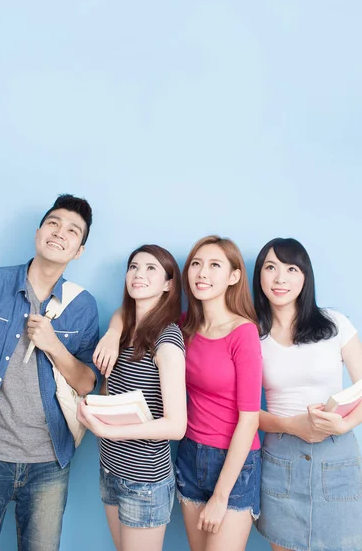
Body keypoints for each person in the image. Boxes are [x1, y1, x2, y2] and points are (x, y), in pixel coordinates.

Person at [94, 235, 262, 551]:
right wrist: (113, 332)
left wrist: (222, 494)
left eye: (214, 265)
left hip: (233, 461)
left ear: (234, 276)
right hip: (189, 455)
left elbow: (249, 419)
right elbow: (132, 312)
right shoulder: (185, 326)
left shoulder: (244, 333)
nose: (202, 273)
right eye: (196, 264)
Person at [0, 194, 100, 551]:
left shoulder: (82, 305)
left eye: (72, 231)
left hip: (49, 464)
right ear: (39, 232)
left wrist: (54, 345)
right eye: (53, 223)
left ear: (79, 250)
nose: (59, 233)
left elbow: (87, 383)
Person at [253, 237, 362, 551]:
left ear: (305, 276)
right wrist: (292, 425)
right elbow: (244, 412)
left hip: (336, 453)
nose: (280, 278)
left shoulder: (335, 324)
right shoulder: (251, 335)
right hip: (280, 458)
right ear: (259, 274)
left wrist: (343, 425)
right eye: (270, 267)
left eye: (291, 269)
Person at [78, 244, 186, 551]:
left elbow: (176, 426)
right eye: (134, 266)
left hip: (144, 481)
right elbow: (120, 314)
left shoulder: (166, 340)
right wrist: (112, 334)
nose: (138, 274)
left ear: (168, 284)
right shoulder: (125, 325)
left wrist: (109, 430)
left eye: (151, 268)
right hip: (110, 467)